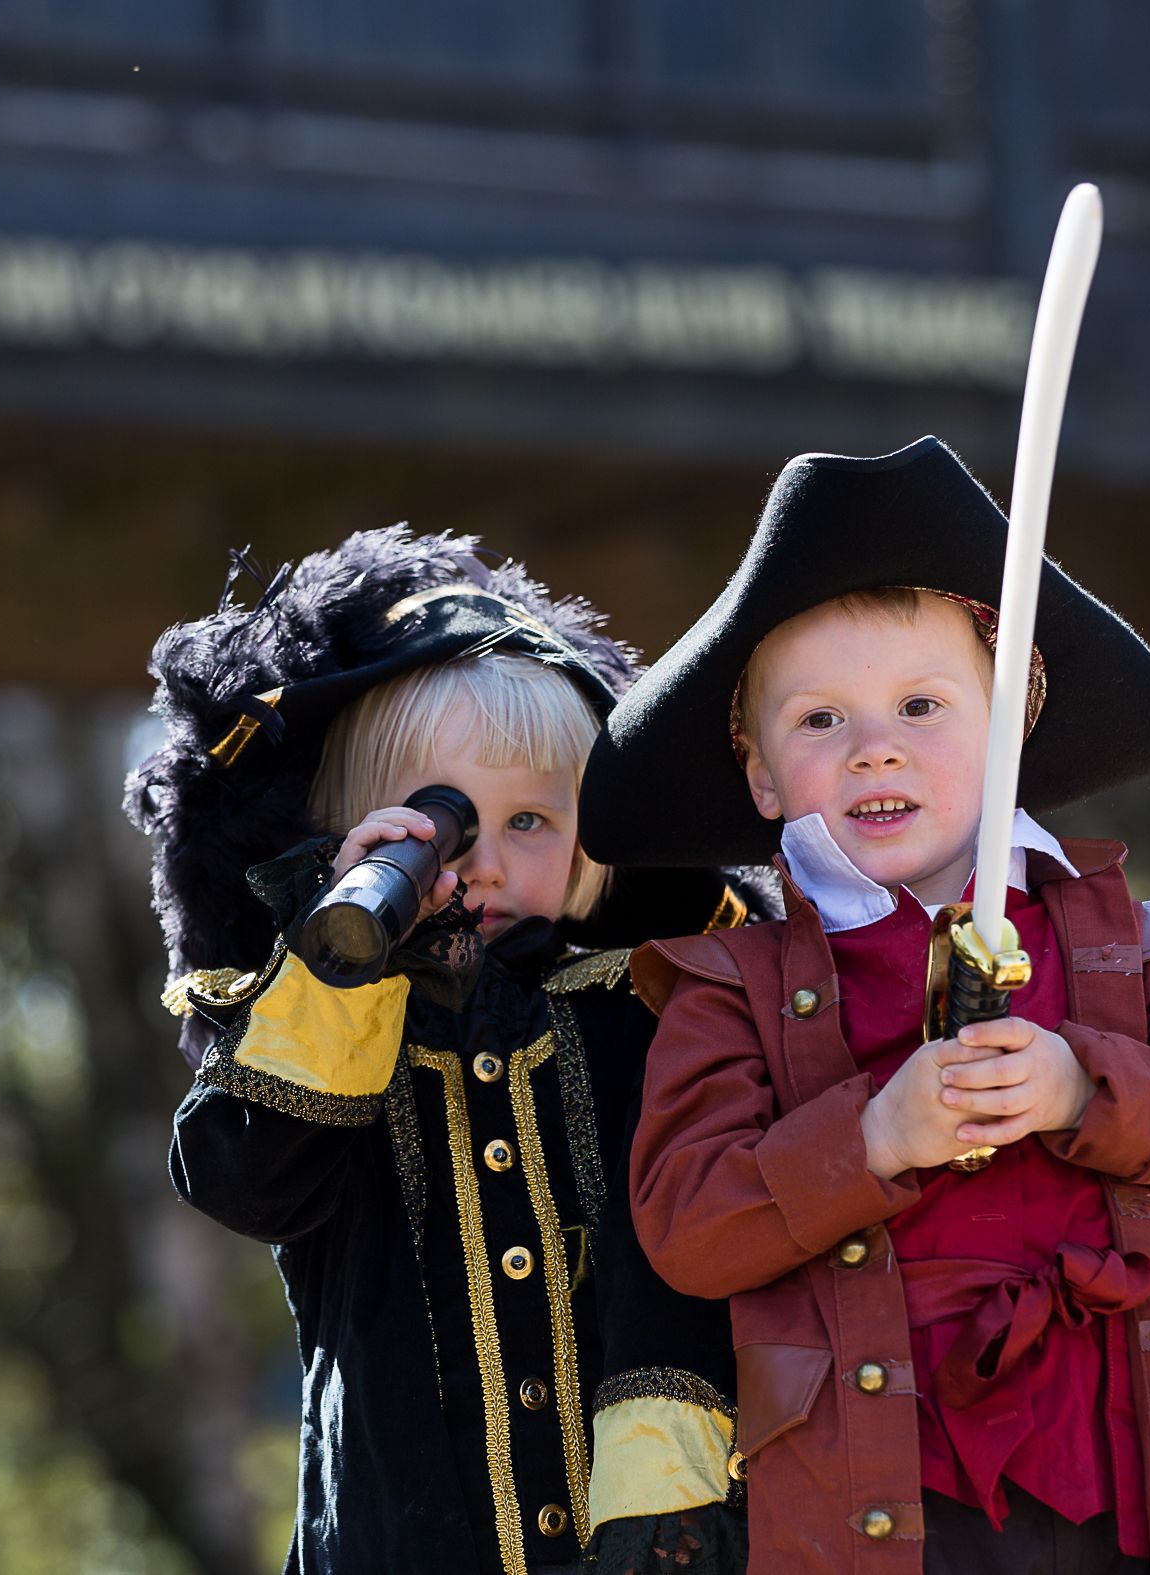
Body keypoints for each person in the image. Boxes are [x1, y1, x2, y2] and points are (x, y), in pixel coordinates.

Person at [579, 437, 1150, 1574]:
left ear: (1012, 717)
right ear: (760, 772)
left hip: (1132, 1509)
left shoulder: (1127, 945)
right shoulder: (731, 988)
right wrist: (869, 1137)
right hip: (876, 1520)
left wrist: (1085, 1087)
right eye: (819, 722)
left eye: (921, 704)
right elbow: (687, 1227)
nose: (875, 750)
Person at [125, 527, 757, 1575]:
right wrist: (342, 956)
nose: (492, 865)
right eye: (444, 823)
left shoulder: (652, 1018)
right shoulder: (318, 1029)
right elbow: (240, 1181)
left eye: (534, 823)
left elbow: (702, 1266)